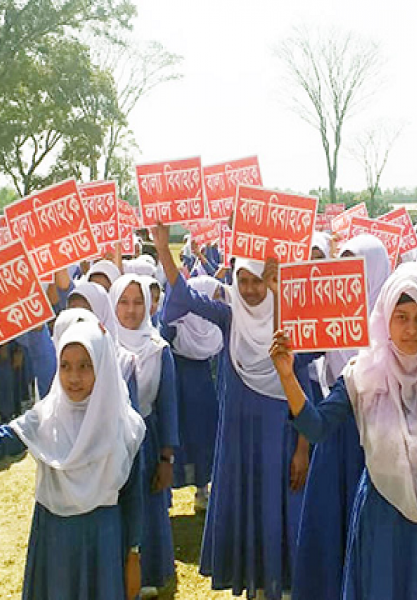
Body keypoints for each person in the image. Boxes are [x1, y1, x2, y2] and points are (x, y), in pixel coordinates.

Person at [270, 262, 417, 599]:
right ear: (385, 321)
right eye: (401, 317)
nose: (411, 330)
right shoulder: (363, 374)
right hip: (381, 518)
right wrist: (288, 377)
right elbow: (317, 428)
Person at [154, 222, 311, 600]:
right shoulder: (230, 319)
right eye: (243, 280)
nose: (251, 289)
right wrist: (163, 248)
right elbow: (185, 297)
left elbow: (304, 387)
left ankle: (282, 587)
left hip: (281, 438)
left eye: (258, 281)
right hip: (240, 439)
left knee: (279, 513)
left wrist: (303, 449)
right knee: (249, 513)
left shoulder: (290, 326)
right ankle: (255, 585)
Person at [0, 321, 145, 600]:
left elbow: (132, 498)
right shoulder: (45, 419)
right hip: (55, 541)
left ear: (102, 367)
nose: (74, 378)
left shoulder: (124, 426)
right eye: (65, 366)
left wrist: (133, 556)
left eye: (85, 366)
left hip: (103, 541)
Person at [292, 234, 391, 600]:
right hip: (336, 430)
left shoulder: (393, 323)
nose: (351, 274)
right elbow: (299, 356)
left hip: (381, 435)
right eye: (345, 264)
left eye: (359, 265)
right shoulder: (330, 317)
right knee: (333, 520)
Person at [108, 274, 179, 598]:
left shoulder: (158, 348)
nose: (131, 310)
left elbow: (167, 405)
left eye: (138, 302)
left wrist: (166, 457)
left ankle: (145, 573)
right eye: (123, 301)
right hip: (107, 442)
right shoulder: (101, 344)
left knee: (145, 510)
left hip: (146, 443)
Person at [159, 275, 222, 509]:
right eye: (211, 295)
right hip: (178, 381)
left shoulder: (215, 324)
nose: (215, 301)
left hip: (203, 385)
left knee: (202, 434)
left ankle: (202, 489)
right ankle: (168, 489)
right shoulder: (175, 324)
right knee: (177, 434)